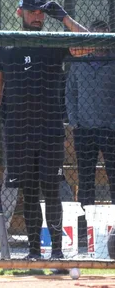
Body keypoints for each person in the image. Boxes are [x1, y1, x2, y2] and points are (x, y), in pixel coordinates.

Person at [0, 0, 91, 260]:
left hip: (49, 129)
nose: (37, 16)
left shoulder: (54, 43)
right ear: (20, 12)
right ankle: (33, 252)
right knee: (28, 192)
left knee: (51, 189)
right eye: (32, 11)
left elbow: (88, 44)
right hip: (17, 130)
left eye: (42, 12)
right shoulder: (5, 46)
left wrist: (63, 17)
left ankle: (56, 251)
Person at [66, 19, 115, 236]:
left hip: (110, 130)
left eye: (103, 36)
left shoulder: (113, 63)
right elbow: (70, 93)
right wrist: (74, 121)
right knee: (86, 181)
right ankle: (86, 230)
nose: (99, 41)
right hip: (84, 130)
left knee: (114, 178)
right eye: (95, 36)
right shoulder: (78, 63)